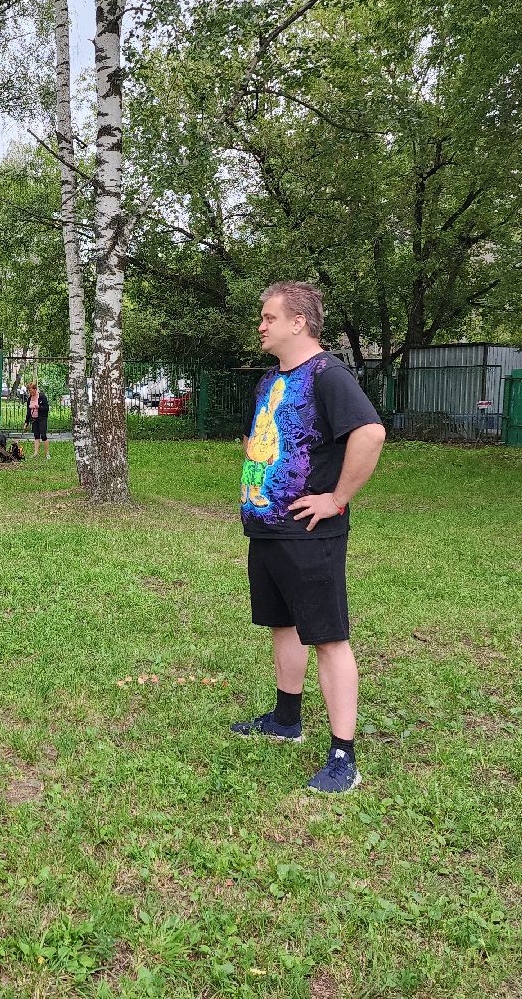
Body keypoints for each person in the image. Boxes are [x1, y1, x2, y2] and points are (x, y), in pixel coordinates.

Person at [232, 282, 385, 794]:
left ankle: (344, 755)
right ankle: (286, 719)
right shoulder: (270, 380)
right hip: (267, 527)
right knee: (282, 624)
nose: (261, 325)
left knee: (327, 636)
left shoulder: (328, 374)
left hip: (309, 532)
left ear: (299, 322)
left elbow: (370, 433)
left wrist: (336, 498)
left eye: (269, 317)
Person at [24, 380, 50, 459]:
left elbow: (46, 408)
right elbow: (28, 411)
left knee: (43, 435)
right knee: (36, 436)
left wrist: (39, 407)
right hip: (34, 419)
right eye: (29, 391)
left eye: (31, 390)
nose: (30, 392)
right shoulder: (29, 399)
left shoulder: (42, 397)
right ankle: (35, 453)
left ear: (35, 389)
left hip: (42, 418)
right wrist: (26, 422)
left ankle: (47, 454)